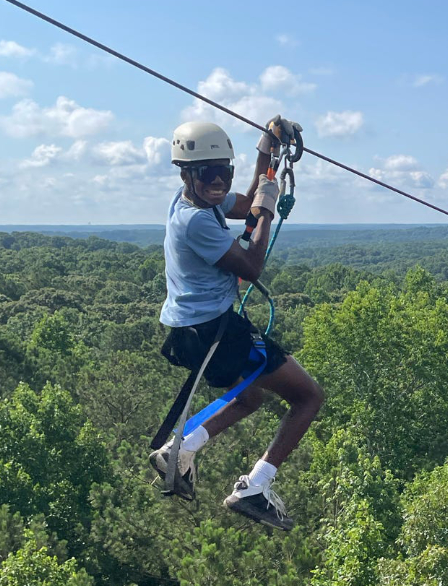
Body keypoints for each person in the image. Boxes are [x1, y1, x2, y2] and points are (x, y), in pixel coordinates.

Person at [150, 117, 324, 531]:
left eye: (224, 172)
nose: (218, 181)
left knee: (249, 398)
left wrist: (266, 150)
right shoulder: (194, 221)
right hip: (215, 333)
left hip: (194, 331)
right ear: (186, 174)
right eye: (207, 173)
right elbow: (251, 264)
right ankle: (255, 486)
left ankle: (180, 450)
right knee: (308, 397)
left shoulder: (195, 202)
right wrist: (267, 209)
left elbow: (244, 205)